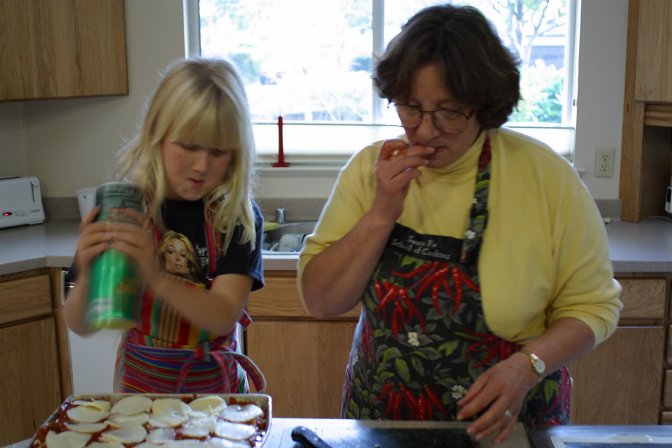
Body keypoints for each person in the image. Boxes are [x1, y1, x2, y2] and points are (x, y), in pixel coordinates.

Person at [298, 4, 622, 444]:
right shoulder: (370, 172)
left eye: (449, 112)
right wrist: (380, 214)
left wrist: (526, 367)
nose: (426, 131)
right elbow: (320, 300)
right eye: (411, 107)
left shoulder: (545, 178)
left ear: (485, 106)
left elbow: (594, 308)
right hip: (383, 426)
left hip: (508, 427)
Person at [64, 57, 266, 394]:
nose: (201, 165)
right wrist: (85, 271)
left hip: (215, 401)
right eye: (188, 146)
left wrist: (155, 276)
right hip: (140, 399)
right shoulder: (124, 209)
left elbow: (222, 315)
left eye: (218, 151)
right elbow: (79, 323)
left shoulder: (236, 218)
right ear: (157, 133)